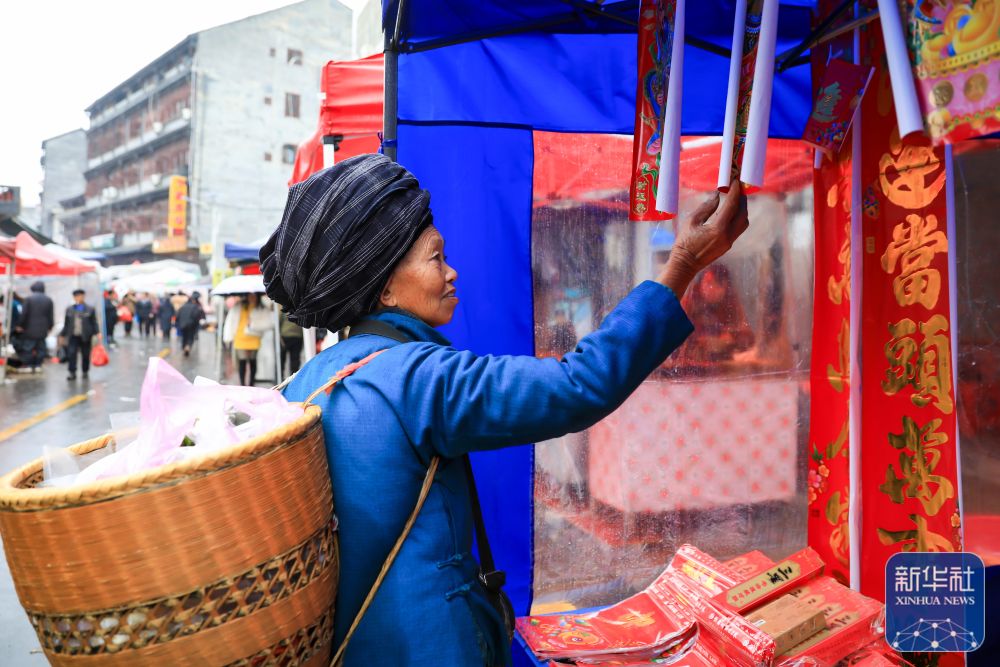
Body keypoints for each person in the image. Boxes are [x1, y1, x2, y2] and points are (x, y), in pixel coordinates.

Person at [263, 154, 749, 666]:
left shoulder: (307, 380)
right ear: (383, 285)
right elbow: (578, 384)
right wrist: (684, 265)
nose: (452, 274)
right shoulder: (414, 377)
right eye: (435, 258)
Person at [222, 292, 270, 385]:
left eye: (254, 295)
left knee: (252, 361)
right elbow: (230, 321)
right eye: (250, 295)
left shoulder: (262, 308)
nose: (252, 297)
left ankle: (251, 383)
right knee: (242, 362)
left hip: (254, 338)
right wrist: (228, 336)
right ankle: (242, 384)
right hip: (240, 338)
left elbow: (268, 323)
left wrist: (253, 324)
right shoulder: (238, 306)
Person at [60, 289, 99, 381]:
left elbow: (94, 322)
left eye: (80, 296)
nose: (78, 298)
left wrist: (97, 333)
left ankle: (85, 371)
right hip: (73, 335)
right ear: (74, 297)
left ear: (83, 296)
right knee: (71, 354)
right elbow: (66, 324)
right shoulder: (69, 309)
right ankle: (72, 372)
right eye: (76, 296)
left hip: (86, 336)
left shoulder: (90, 309)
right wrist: (62, 334)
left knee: (86, 354)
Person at [16, 281, 54, 373]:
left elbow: (24, 314)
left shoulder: (29, 299)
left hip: (29, 328)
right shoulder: (48, 300)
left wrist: (20, 325)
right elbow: (50, 315)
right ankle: (38, 365)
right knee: (41, 348)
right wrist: (50, 326)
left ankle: (29, 365)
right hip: (43, 329)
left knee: (28, 348)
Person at [175, 291, 205, 356]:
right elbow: (197, 316)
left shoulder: (183, 306)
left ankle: (184, 347)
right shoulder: (195, 307)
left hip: (182, 324)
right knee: (190, 337)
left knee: (184, 337)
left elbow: (177, 315)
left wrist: (177, 323)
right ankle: (188, 346)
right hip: (191, 325)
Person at [279, 306, 304, 375]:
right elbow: (279, 323)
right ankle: (281, 377)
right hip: (285, 337)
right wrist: (279, 337)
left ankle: (292, 379)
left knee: (295, 360)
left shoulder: (301, 308)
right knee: (282, 359)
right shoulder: (284, 309)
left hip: (297, 337)